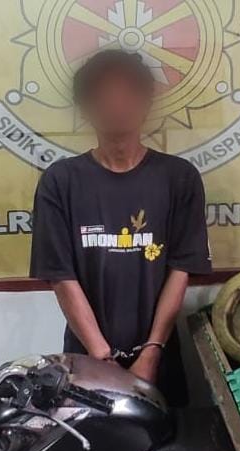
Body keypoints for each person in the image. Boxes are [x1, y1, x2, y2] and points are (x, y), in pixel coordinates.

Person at [30, 50, 211, 406]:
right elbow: (61, 278)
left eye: (128, 92)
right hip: (87, 362)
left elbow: (180, 270)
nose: (117, 103)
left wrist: (152, 352)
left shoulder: (179, 178)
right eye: (104, 94)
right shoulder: (60, 181)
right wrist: (102, 358)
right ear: (85, 107)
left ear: (147, 101)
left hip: (159, 362)